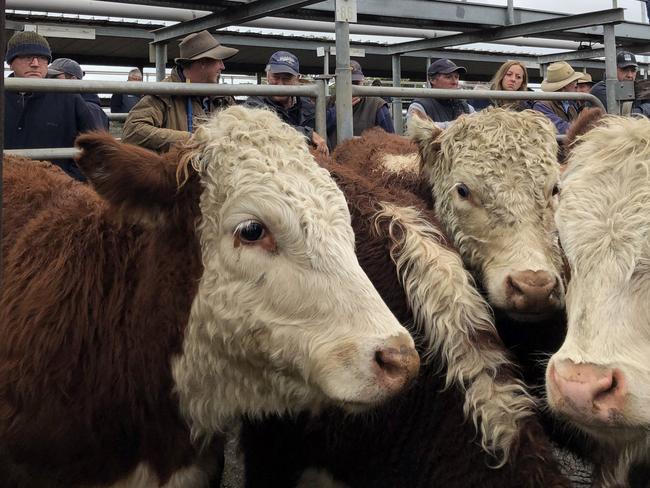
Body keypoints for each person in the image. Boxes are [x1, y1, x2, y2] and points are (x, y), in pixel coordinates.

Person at [4, 31, 101, 181]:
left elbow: (95, 147)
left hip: (54, 196)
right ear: (10, 62)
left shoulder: (70, 98)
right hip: (7, 192)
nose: (35, 63)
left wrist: (69, 183)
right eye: (27, 57)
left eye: (42, 58)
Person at [122, 30, 237, 152]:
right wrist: (190, 139)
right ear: (203, 62)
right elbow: (132, 131)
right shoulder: (164, 93)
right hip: (179, 169)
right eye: (218, 60)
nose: (222, 66)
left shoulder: (223, 96)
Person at [245, 51, 329, 155]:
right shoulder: (255, 104)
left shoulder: (308, 105)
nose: (280, 84)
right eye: (275, 77)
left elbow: (327, 125)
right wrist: (308, 134)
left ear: (297, 79)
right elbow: (265, 128)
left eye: (286, 78)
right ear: (267, 76)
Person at [326, 60, 394, 150]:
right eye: (347, 83)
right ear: (336, 81)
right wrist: (336, 111)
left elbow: (392, 142)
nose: (352, 87)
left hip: (366, 162)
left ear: (362, 80)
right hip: (332, 162)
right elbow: (315, 131)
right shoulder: (325, 104)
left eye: (355, 82)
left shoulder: (377, 105)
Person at [406, 58, 474, 129]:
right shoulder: (419, 106)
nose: (455, 82)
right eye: (448, 77)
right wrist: (461, 124)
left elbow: (479, 126)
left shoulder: (466, 107)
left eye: (456, 77)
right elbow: (417, 129)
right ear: (432, 80)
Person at [48, 57, 109, 130]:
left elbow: (93, 140)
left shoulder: (89, 110)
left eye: (54, 77)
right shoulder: (70, 104)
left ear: (73, 80)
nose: (49, 81)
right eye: (48, 77)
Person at [532, 61, 582, 135]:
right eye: (574, 81)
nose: (576, 85)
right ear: (564, 85)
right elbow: (560, 129)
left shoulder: (571, 103)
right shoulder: (541, 106)